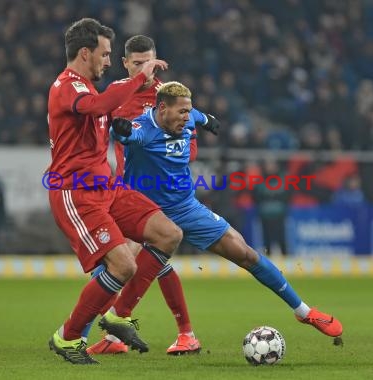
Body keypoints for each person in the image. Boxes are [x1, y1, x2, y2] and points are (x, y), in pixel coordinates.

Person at [108, 81, 343, 341]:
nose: (187, 118)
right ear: (162, 108)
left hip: (186, 208)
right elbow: (129, 134)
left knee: (245, 253)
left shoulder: (187, 118)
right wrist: (122, 130)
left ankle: (303, 311)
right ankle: (92, 333)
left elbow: (198, 116)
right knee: (118, 266)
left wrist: (207, 119)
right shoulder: (143, 128)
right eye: (182, 113)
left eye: (189, 112)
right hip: (147, 213)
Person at [46, 18, 183, 365]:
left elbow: (103, 115)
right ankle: (68, 337)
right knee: (123, 265)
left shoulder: (89, 89)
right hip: (76, 192)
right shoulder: (67, 86)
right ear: (85, 53)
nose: (109, 61)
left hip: (107, 187)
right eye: (105, 55)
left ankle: (118, 316)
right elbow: (99, 107)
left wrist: (122, 128)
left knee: (168, 234)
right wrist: (141, 79)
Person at [84, 35, 218, 356]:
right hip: (122, 192)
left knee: (125, 261)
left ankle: (84, 334)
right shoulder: (114, 96)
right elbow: (98, 135)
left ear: (157, 61)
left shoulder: (169, 98)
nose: (145, 69)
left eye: (150, 62)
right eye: (138, 63)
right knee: (124, 263)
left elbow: (190, 148)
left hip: (159, 195)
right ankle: (120, 336)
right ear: (126, 63)